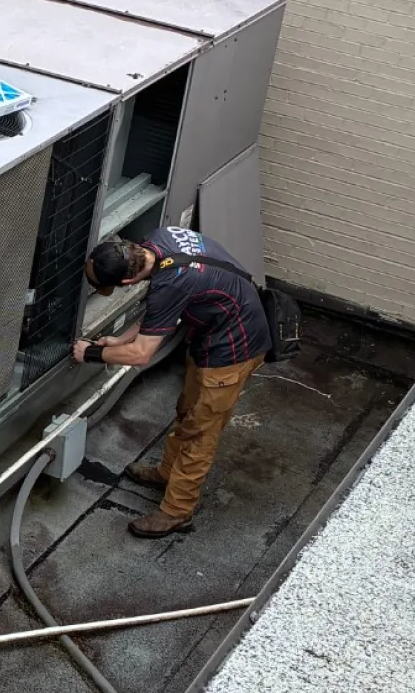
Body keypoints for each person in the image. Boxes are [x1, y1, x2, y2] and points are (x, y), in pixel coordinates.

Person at [73, 225, 270, 538]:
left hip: (234, 351)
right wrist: (118, 339)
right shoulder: (159, 240)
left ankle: (177, 513)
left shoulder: (171, 281)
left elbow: (141, 355)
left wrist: (92, 353)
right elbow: (159, 313)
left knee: (199, 433)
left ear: (127, 281)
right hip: (212, 335)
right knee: (187, 410)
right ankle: (166, 473)